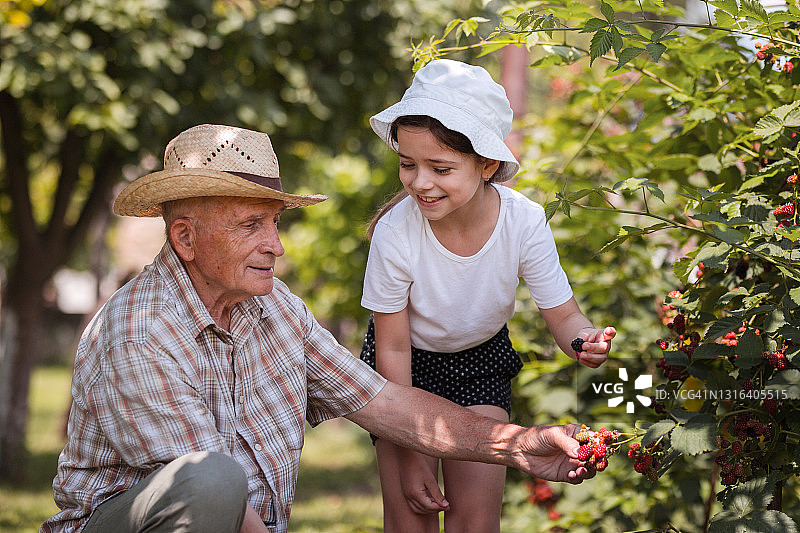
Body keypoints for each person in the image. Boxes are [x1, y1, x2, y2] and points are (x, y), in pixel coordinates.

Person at [41, 124, 597, 533]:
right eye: (250, 226)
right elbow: (220, 511)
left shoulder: (275, 309)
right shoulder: (142, 333)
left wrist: (520, 445)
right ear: (185, 238)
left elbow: (387, 405)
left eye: (275, 224)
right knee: (212, 480)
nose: (275, 246)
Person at [359, 59, 617, 532]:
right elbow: (391, 347)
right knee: (408, 515)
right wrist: (411, 451)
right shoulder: (395, 235)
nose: (420, 182)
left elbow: (563, 316)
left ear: (487, 164)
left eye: (440, 168)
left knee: (475, 521)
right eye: (407, 164)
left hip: (478, 363)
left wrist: (585, 340)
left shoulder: (524, 222)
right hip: (401, 371)